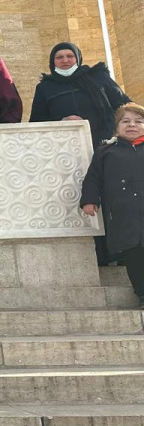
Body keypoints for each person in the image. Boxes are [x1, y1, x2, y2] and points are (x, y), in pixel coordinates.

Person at [81, 103, 144, 303]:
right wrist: (90, 200)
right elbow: (93, 179)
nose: (132, 125)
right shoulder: (105, 152)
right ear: (116, 127)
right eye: (125, 121)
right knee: (134, 256)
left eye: (138, 121)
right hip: (124, 215)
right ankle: (142, 293)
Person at [31, 42, 129, 146]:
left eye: (70, 56)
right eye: (59, 57)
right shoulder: (44, 88)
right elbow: (36, 121)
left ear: (77, 58)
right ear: (53, 61)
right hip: (66, 146)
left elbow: (124, 105)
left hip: (107, 143)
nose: (65, 60)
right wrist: (61, 121)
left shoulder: (98, 78)